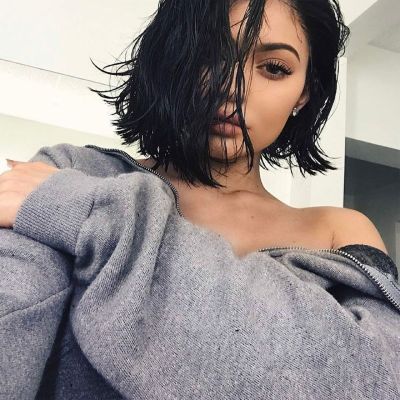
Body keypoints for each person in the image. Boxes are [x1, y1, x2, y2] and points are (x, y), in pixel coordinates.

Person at [1, 0, 399, 399]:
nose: (233, 87)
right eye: (209, 52)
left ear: (303, 95)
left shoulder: (337, 231)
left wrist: (98, 218)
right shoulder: (73, 171)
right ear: (172, 57)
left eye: (274, 68)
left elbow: (377, 382)